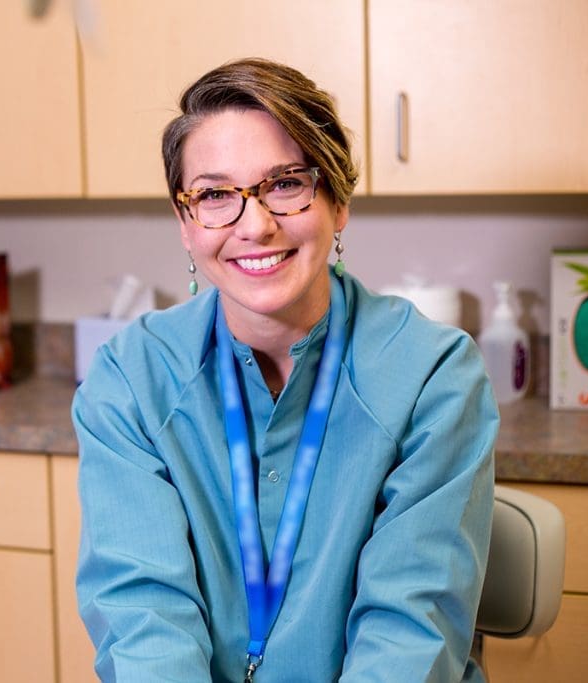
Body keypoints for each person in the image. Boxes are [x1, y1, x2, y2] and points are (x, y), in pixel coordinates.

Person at [72, 58, 498, 682]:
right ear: (186, 223)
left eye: (286, 183)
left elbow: (410, 629)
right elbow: (144, 618)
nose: (255, 225)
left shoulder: (432, 375)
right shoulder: (130, 380)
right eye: (216, 195)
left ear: (338, 200)